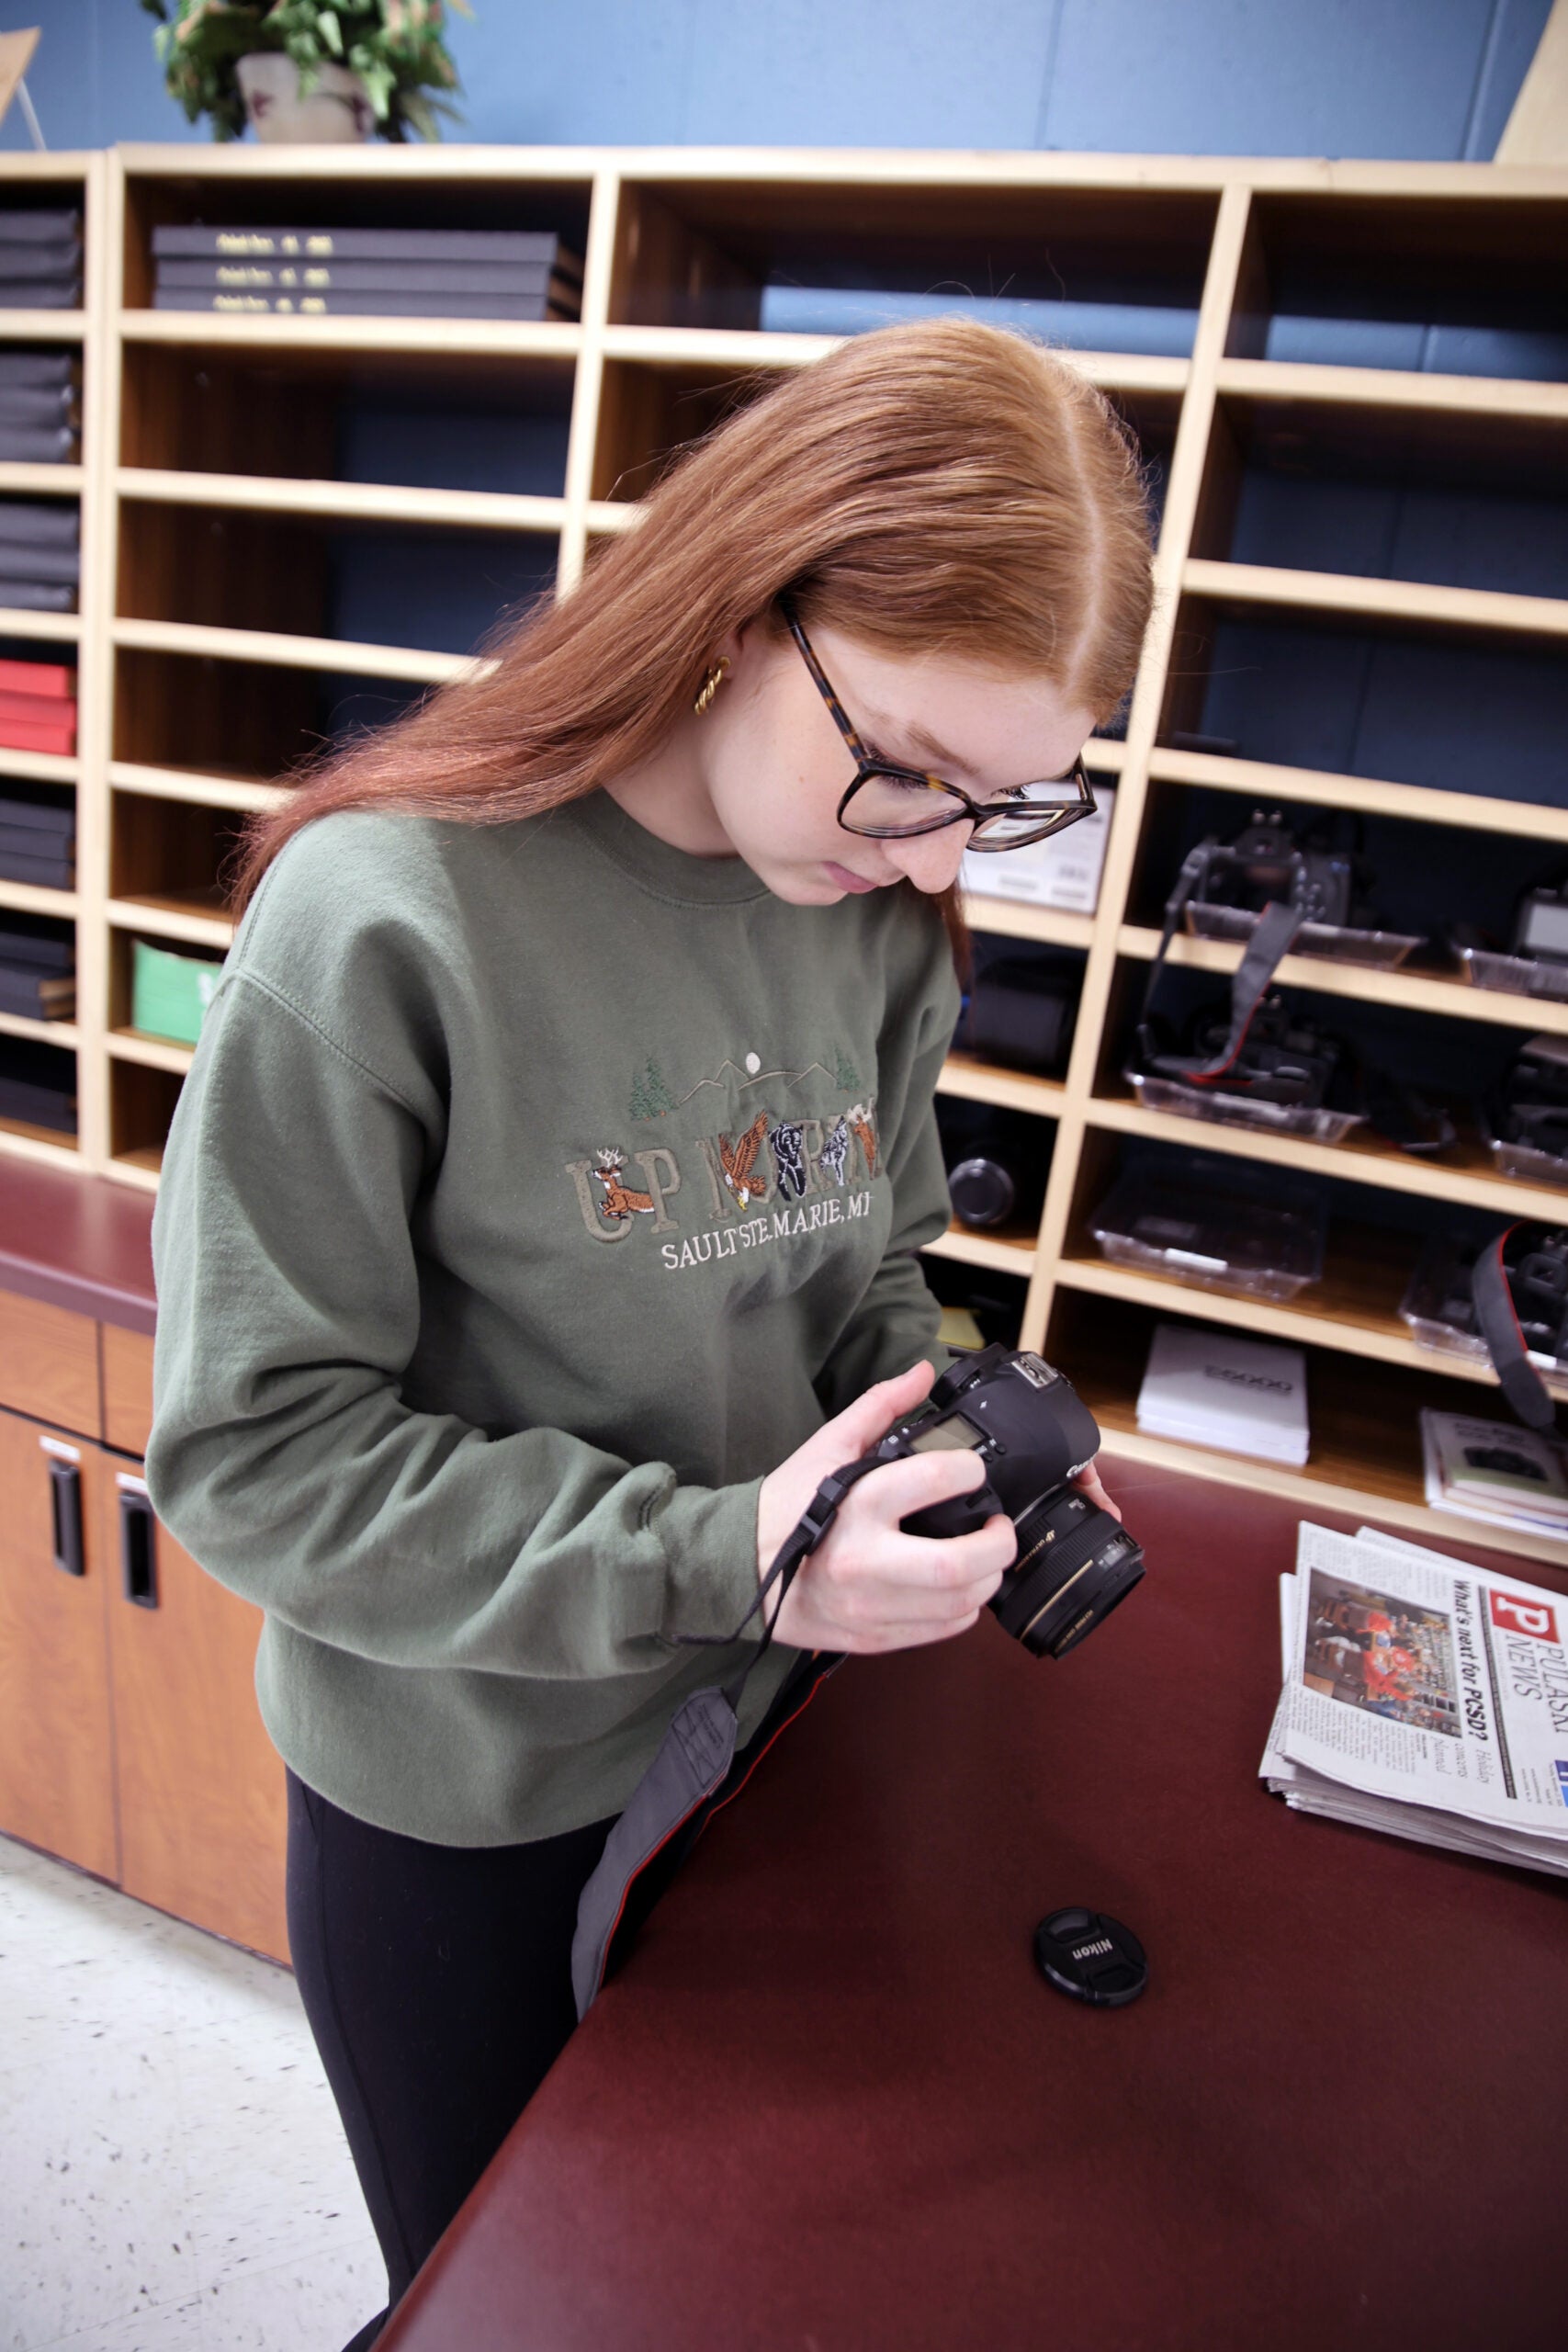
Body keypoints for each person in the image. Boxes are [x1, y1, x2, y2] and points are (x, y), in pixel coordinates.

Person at [145, 316, 1155, 2347]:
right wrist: (729, 1551)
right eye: (910, 773)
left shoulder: (864, 907)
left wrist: (939, 1416)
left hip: (762, 1743)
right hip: (473, 1791)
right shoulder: (388, 917)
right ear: (738, 597)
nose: (938, 856)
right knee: (514, 2300)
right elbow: (255, 1459)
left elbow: (867, 1249)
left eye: (1008, 804)